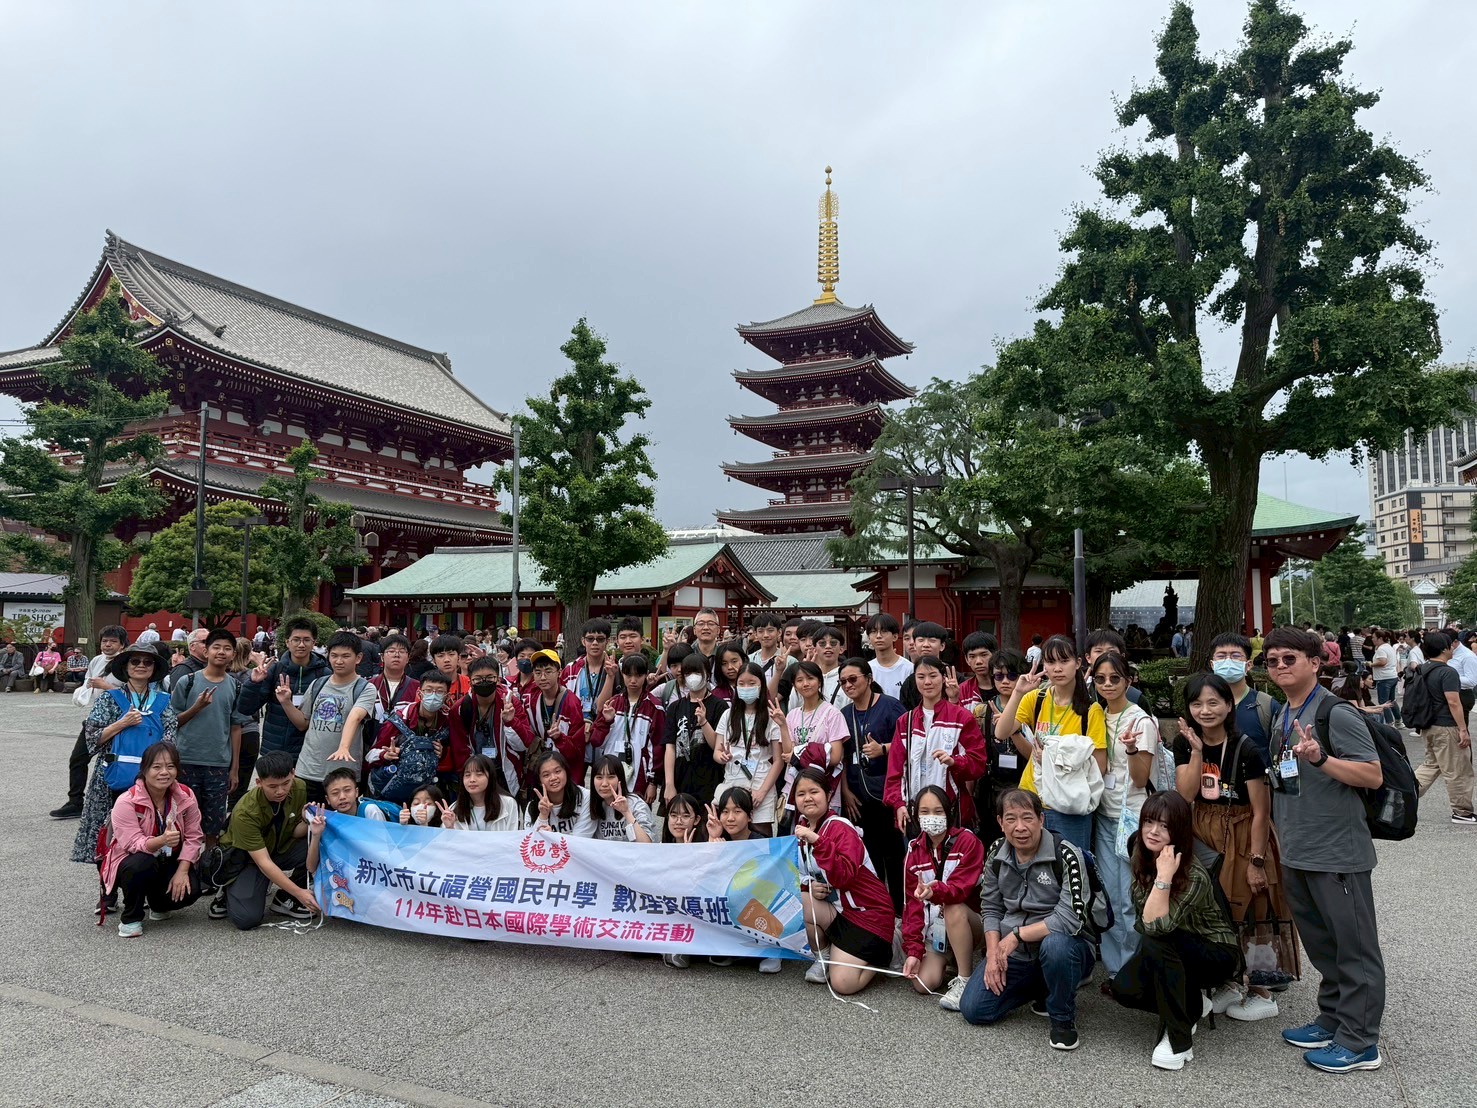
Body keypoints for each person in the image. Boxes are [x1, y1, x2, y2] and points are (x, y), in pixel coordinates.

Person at [1263, 627, 1387, 1073]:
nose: (1279, 666)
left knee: (1354, 948)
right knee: (1322, 944)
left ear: (1315, 662)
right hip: (1297, 848)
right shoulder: (1284, 711)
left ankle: (1360, 1041)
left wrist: (1320, 759)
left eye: (1289, 658)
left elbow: (1371, 775)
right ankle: (1333, 1018)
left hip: (1337, 851)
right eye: (1272, 660)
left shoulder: (1336, 712)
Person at [1174, 671, 1287, 1022]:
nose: (1205, 710)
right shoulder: (1184, 743)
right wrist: (1196, 751)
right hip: (1202, 830)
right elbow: (1185, 794)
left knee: (1252, 910)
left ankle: (1262, 991)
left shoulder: (1247, 747)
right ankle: (1229, 980)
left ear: (1228, 705)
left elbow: (1261, 811)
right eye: (1197, 704)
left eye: (1213, 702)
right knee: (1214, 911)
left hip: (1242, 832)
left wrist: (1257, 860)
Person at [1109, 791, 1240, 1071]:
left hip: (1213, 951)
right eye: (1149, 822)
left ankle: (1178, 1040)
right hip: (1171, 945)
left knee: (1157, 940)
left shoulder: (1193, 873)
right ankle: (1192, 1005)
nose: (1153, 831)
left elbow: (1154, 927)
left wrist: (1164, 877)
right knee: (1124, 989)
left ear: (1178, 830)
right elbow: (1144, 920)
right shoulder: (1141, 851)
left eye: (1164, 826)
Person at [958, 789, 1095, 1050]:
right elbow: (990, 906)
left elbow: (1070, 918)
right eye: (1011, 819)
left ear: (1041, 819)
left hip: (1064, 945)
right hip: (1017, 954)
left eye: (1027, 818)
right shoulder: (997, 852)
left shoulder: (1066, 854)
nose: (1020, 827)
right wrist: (992, 954)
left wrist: (1017, 935)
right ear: (1000, 823)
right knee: (975, 1009)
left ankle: (1062, 1018)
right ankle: (1044, 986)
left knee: (1056, 947)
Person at [71, 643, 178, 879]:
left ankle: (142, 886)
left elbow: (170, 741)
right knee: (108, 832)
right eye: (135, 661)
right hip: (112, 775)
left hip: (153, 779)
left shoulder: (164, 700)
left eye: (147, 662)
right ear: (125, 666)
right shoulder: (109, 698)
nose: (141, 666)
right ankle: (107, 886)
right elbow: (93, 737)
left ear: (154, 668)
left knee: (150, 831)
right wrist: (122, 723)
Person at [994, 635, 1107, 851]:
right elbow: (1002, 731)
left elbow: (1099, 766)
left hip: (1069, 804)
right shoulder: (1035, 699)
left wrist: (1051, 758)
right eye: (1051, 662)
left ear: (1078, 663)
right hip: (1031, 801)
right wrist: (1018, 692)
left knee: (1071, 865)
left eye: (1064, 661)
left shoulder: (1091, 711)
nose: (1057, 668)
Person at [792, 767, 898, 995]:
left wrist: (818, 842)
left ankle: (888, 949)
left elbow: (844, 876)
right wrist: (809, 885)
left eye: (814, 791)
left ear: (829, 795)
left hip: (869, 914)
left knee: (843, 985)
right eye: (801, 794)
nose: (807, 798)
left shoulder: (841, 827)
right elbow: (794, 873)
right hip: (840, 911)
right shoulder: (801, 829)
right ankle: (824, 956)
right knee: (800, 898)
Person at [1089, 651, 1158, 979]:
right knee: (1110, 896)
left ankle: (1135, 970)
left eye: (1114, 678)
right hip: (1104, 815)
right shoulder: (1096, 715)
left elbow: (1141, 779)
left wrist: (1130, 749)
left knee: (1131, 897)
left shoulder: (1141, 721)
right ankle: (1117, 973)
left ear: (1128, 681)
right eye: (1100, 679)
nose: (1107, 684)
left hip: (1132, 819)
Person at [100, 742, 205, 937]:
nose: (164, 772)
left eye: (170, 766)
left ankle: (158, 904)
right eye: (157, 767)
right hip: (132, 860)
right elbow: (132, 844)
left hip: (169, 858)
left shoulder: (185, 794)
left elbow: (194, 836)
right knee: (141, 863)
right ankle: (131, 918)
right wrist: (162, 840)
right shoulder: (127, 801)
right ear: (144, 769)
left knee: (192, 889)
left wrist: (183, 871)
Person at [210, 750, 319, 928]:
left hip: (278, 847)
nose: (280, 791)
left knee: (320, 840)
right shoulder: (245, 812)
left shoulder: (299, 787)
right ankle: (227, 887)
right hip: (247, 859)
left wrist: (308, 822)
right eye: (272, 786)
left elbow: (294, 833)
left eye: (286, 783)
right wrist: (300, 892)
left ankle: (285, 898)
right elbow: (263, 862)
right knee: (246, 918)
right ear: (259, 782)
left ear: (293, 773)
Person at [900, 785, 985, 1012]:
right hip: (936, 931)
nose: (932, 817)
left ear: (949, 812)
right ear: (916, 815)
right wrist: (914, 951)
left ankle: (964, 978)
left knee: (952, 907)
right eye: (924, 812)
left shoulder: (968, 841)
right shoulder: (913, 851)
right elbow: (912, 906)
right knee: (922, 983)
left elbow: (959, 890)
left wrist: (935, 892)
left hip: (972, 923)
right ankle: (949, 958)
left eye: (938, 811)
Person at [884, 655, 987, 831]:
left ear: (943, 678)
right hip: (914, 811)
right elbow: (895, 771)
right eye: (921, 676)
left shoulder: (961, 717)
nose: (927, 682)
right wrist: (898, 804)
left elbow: (978, 763)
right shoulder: (905, 721)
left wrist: (954, 762)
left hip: (952, 809)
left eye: (933, 676)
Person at [836, 657, 908, 912]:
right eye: (843, 681)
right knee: (869, 854)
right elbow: (843, 757)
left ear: (869, 679)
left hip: (887, 794)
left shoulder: (890, 706)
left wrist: (883, 749)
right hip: (857, 795)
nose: (848, 685)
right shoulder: (844, 714)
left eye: (853, 679)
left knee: (894, 855)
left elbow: (908, 742)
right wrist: (845, 791)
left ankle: (899, 910)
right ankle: (878, 910)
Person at [169, 628, 246, 850]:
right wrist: (197, 707)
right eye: (216, 647)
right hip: (186, 760)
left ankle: (210, 861)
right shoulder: (187, 682)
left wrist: (234, 768)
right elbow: (172, 722)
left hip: (218, 763)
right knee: (184, 817)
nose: (221, 652)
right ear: (206, 651)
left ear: (233, 654)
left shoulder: (235, 686)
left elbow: (236, 728)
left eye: (227, 648)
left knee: (214, 822)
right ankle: (185, 862)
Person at [277, 631, 375, 803]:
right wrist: (286, 702)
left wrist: (343, 747)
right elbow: (303, 723)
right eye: (334, 655)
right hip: (308, 769)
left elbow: (355, 716)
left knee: (339, 818)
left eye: (346, 656)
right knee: (307, 817)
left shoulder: (365, 688)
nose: (339, 661)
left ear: (358, 658)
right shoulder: (318, 684)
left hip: (343, 774)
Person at [52, 625, 126, 820]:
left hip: (120, 721)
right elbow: (88, 683)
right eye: (104, 641)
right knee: (78, 758)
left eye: (113, 641)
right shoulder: (96, 660)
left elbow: (132, 694)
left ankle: (119, 805)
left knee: (113, 762)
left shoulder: (127, 662)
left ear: (122, 645)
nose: (108, 645)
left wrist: (106, 686)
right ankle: (75, 802)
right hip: (96, 718)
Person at [238, 617, 330, 761]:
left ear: (314, 642)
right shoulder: (275, 670)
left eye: (306, 640)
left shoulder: (324, 674)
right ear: (287, 642)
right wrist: (253, 683)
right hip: (276, 749)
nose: (301, 645)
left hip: (310, 752)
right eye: (296, 640)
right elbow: (246, 709)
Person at [1409, 632, 1475, 823]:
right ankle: (1462, 812)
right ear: (1445, 648)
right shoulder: (1448, 672)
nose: (1453, 647)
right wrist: (1463, 729)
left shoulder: (1423, 668)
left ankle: (1403, 794)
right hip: (1446, 726)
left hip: (1428, 725)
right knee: (1458, 770)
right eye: (1451, 645)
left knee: (1432, 764)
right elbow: (1453, 702)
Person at [449, 656, 534, 802]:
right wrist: (469, 777)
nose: (484, 682)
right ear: (470, 681)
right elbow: (459, 750)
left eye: (490, 677)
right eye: (478, 679)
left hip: (505, 772)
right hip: (476, 773)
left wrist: (510, 722)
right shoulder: (460, 708)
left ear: (498, 679)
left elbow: (524, 744)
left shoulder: (510, 703)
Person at [712, 662, 783, 834]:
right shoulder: (728, 715)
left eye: (752, 683)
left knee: (760, 833)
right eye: (741, 684)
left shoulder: (771, 716)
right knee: (732, 831)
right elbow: (716, 751)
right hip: (733, 781)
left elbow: (778, 760)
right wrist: (722, 757)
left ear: (761, 685)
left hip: (761, 783)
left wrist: (762, 792)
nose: (746, 688)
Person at [975, 649, 1031, 847]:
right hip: (992, 788)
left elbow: (1034, 755)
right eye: (999, 676)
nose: (1005, 681)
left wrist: (1012, 729)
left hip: (1024, 783)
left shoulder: (1031, 708)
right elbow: (976, 754)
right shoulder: (982, 711)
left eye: (1012, 675)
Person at [782, 660, 849, 816]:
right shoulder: (792, 715)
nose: (805, 684)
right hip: (795, 789)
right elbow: (787, 754)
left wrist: (799, 755)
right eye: (799, 680)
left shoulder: (832, 714)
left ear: (819, 681)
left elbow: (835, 757)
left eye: (810, 678)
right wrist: (782, 726)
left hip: (824, 788)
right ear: (794, 685)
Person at [663, 652, 727, 806]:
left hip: (709, 782)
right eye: (688, 673)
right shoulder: (675, 707)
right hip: (680, 779)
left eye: (697, 672)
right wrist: (669, 784)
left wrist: (704, 722)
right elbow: (670, 747)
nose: (693, 677)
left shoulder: (720, 706)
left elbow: (717, 746)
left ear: (707, 674)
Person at [1209, 632, 1275, 762]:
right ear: (1212, 665)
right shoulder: (1201, 706)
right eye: (1221, 656)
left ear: (1248, 665)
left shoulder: (1266, 705)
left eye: (1235, 656)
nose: (1228, 661)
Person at [524, 648, 587, 776]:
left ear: (559, 672)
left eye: (548, 671)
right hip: (540, 767)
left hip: (566, 769)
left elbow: (578, 750)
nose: (543, 677)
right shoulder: (531, 700)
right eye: (538, 672)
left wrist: (560, 738)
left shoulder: (571, 703)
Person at [562, 618, 618, 728]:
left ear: (607, 641)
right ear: (583, 641)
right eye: (590, 639)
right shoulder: (571, 669)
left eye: (600, 639)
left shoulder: (615, 669)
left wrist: (611, 676)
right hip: (575, 728)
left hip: (606, 728)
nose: (595, 643)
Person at [444, 753, 521, 832]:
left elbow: (513, 836)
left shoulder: (508, 803)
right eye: (467, 775)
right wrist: (450, 828)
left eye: (479, 774)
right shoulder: (454, 809)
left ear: (490, 777)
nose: (472, 780)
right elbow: (451, 839)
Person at [526, 751, 596, 837]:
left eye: (557, 771)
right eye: (546, 775)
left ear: (566, 771)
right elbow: (531, 840)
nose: (553, 778)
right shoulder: (532, 807)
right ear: (539, 781)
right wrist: (543, 816)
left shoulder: (585, 797)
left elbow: (580, 840)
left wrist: (552, 837)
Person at [589, 754, 657, 841]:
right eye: (599, 777)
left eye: (611, 777)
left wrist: (626, 812)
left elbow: (647, 844)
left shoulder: (636, 804)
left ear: (620, 779)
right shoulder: (590, 803)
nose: (604, 784)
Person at [866, 614, 913, 701]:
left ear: (895, 637)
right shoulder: (866, 669)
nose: (878, 636)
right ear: (869, 637)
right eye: (873, 631)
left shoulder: (909, 668)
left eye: (884, 631)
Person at [954, 631, 997, 711]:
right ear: (967, 660)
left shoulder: (1008, 685)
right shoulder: (961, 691)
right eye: (972, 656)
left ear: (995, 655)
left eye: (984, 655)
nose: (978, 661)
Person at [1368, 629, 1400, 727]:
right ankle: (1398, 720)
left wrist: (1371, 664)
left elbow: (1383, 661)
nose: (1372, 639)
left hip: (1384, 678)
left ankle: (1390, 723)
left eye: (1373, 637)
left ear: (1380, 638)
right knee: (1391, 700)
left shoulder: (1381, 649)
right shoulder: (1389, 647)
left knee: (1384, 702)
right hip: (1392, 676)